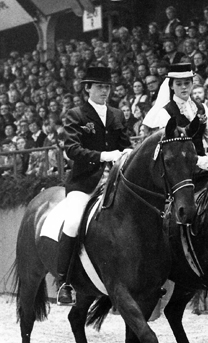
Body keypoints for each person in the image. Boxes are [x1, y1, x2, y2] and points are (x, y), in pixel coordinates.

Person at [57, 66, 132, 306]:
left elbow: (125, 144)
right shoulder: (76, 115)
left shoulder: (118, 115)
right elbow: (71, 149)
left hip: (116, 180)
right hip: (85, 182)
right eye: (99, 86)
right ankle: (64, 282)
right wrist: (103, 156)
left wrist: (127, 152)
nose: (104, 91)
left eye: (107, 87)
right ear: (87, 88)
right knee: (73, 222)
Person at [143, 63, 208, 166]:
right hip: (179, 169)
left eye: (187, 83)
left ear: (192, 84)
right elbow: (171, 149)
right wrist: (197, 160)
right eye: (179, 84)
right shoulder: (165, 112)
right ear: (171, 86)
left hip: (204, 165)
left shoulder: (202, 108)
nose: (183, 87)